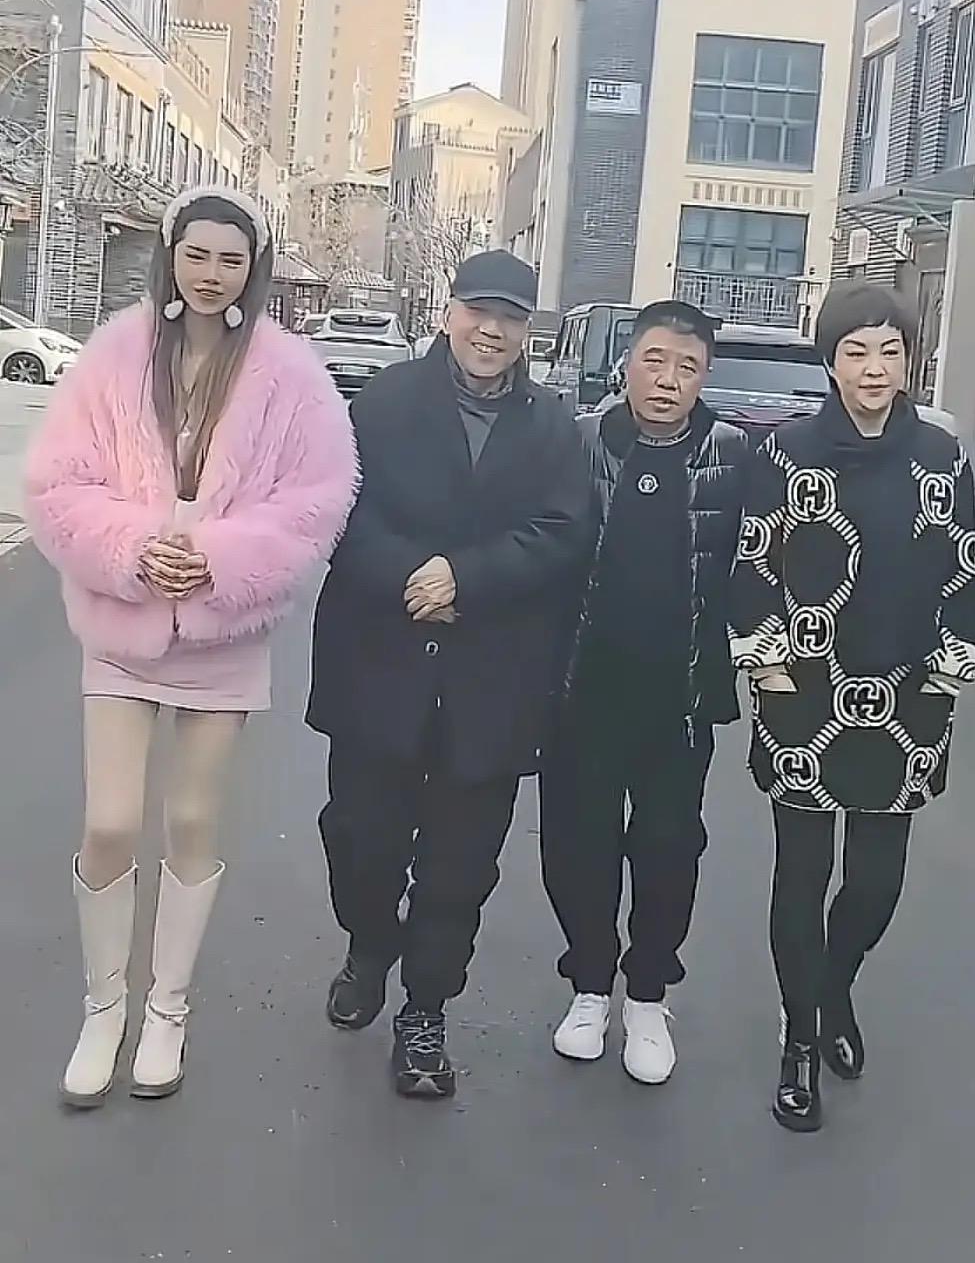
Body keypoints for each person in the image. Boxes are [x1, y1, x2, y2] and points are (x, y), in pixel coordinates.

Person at [24, 187, 356, 1109]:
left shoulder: (290, 373)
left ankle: (166, 1010)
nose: (212, 275)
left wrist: (218, 559)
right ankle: (104, 1009)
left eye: (231, 260)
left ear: (255, 268)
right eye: (197, 254)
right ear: (171, 254)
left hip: (222, 635)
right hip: (121, 624)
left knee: (194, 821)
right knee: (110, 821)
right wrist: (134, 548)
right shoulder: (115, 353)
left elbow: (316, 498)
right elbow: (57, 482)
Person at [308, 250, 594, 1100]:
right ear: (448, 312)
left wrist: (466, 578)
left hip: (492, 677)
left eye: (510, 317)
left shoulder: (553, 428)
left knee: (460, 865)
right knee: (359, 836)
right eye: (478, 310)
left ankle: (425, 1009)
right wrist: (414, 575)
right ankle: (369, 942)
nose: (491, 330)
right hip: (379, 662)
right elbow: (340, 509)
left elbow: (563, 532)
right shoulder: (384, 402)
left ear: (528, 331)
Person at [729, 282, 975, 1134]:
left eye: (889, 351)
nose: (874, 368)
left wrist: (946, 676)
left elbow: (961, 571)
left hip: (906, 699)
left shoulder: (941, 457)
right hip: (804, 694)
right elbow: (753, 563)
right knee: (800, 879)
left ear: (910, 360)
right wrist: (765, 665)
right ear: (831, 361)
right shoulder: (785, 453)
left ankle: (832, 988)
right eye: (856, 351)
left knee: (876, 882)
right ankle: (799, 1040)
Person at [542, 300, 749, 1085]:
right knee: (578, 845)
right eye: (654, 361)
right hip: (584, 689)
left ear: (705, 377)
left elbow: (760, 565)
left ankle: (649, 995)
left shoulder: (733, 453)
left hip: (679, 698)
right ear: (626, 364)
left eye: (687, 367)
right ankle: (590, 985)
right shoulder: (581, 440)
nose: (667, 380)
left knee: (668, 848)